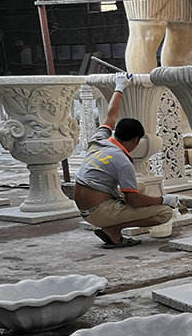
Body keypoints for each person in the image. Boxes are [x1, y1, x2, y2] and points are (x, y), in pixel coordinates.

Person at [74, 72, 180, 248]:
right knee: (164, 213)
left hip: (87, 205)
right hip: (97, 211)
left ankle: (110, 223)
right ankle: (113, 229)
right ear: (135, 140)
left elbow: (111, 115)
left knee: (140, 186)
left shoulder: (99, 139)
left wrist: (119, 87)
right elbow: (134, 201)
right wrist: (164, 200)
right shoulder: (122, 161)